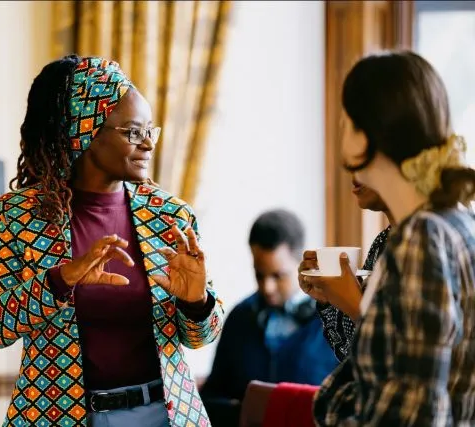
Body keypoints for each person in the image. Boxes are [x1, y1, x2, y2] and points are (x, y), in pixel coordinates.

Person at [0, 55, 224, 427]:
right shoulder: (20, 214)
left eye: (152, 130)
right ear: (85, 131)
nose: (149, 144)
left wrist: (197, 302)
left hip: (162, 415)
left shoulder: (170, 215)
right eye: (134, 132)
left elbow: (202, 337)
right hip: (58, 417)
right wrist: (59, 280)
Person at [303, 51, 475, 426]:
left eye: (345, 121)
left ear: (367, 133)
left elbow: (414, 412)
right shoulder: (456, 223)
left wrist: (332, 405)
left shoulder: (422, 237)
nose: (340, 133)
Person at [201, 209, 338, 406]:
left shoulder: (336, 321)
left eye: (278, 275)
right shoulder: (239, 317)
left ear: (302, 263)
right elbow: (212, 396)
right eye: (259, 275)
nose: (267, 287)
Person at [299, 177, 392, 361]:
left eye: (363, 161)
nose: (354, 177)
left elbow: (402, 360)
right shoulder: (384, 242)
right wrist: (329, 301)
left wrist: (357, 308)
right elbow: (351, 355)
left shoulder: (420, 242)